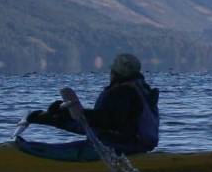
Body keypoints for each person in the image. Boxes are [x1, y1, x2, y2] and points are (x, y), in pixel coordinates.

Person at [25, 53, 161, 155]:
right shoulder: (139, 89)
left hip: (121, 146)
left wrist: (70, 113)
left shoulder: (123, 92)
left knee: (55, 150)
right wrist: (51, 118)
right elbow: (96, 124)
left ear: (115, 72)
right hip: (130, 144)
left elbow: (108, 122)